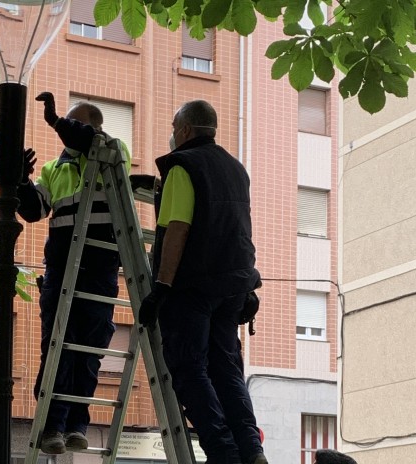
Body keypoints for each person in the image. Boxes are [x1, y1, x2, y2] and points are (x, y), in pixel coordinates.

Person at [139, 100, 267, 464]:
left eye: (173, 126)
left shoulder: (183, 166)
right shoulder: (235, 168)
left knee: (189, 367)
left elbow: (178, 228)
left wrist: (161, 288)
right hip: (233, 286)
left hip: (193, 286)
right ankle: (251, 449)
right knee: (226, 369)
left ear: (184, 130)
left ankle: (222, 452)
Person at [18, 92, 131, 455]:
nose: (80, 132)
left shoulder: (113, 152)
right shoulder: (54, 169)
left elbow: (88, 141)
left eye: (85, 125)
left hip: (98, 268)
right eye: (77, 125)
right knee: (58, 349)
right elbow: (34, 211)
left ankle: (78, 425)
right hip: (62, 270)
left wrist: (55, 121)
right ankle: (54, 427)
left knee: (89, 350)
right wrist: (22, 182)